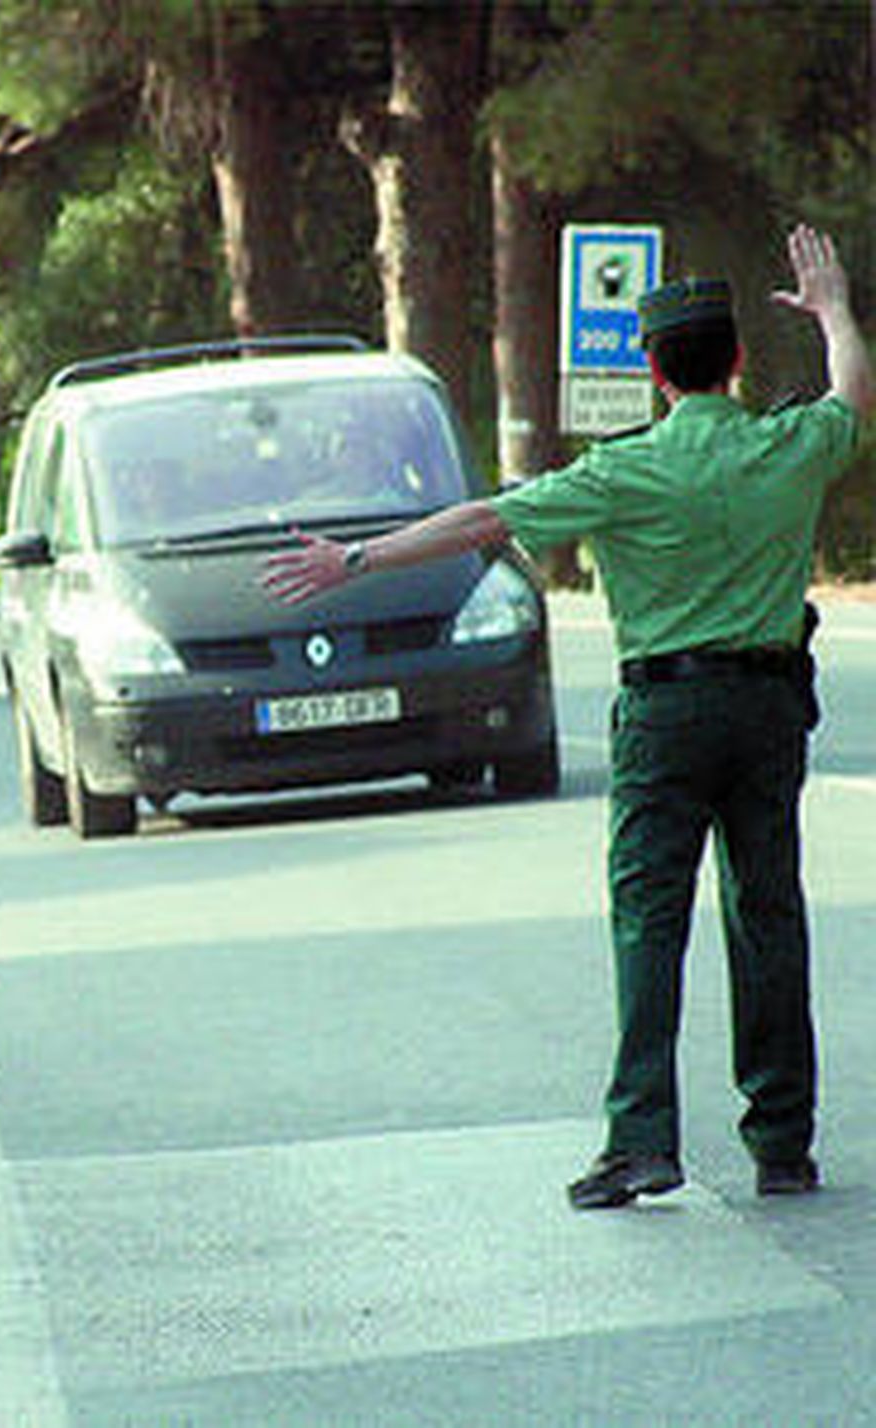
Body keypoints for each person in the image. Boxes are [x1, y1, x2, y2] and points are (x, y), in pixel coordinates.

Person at [262, 224, 873, 1209]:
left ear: (651, 372)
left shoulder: (621, 472)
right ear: (738, 361)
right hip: (765, 709)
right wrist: (835, 310)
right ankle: (782, 1143)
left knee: (649, 921)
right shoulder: (786, 447)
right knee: (767, 916)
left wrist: (356, 560)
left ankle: (641, 1141)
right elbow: (853, 397)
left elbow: (483, 521)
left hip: (666, 717)